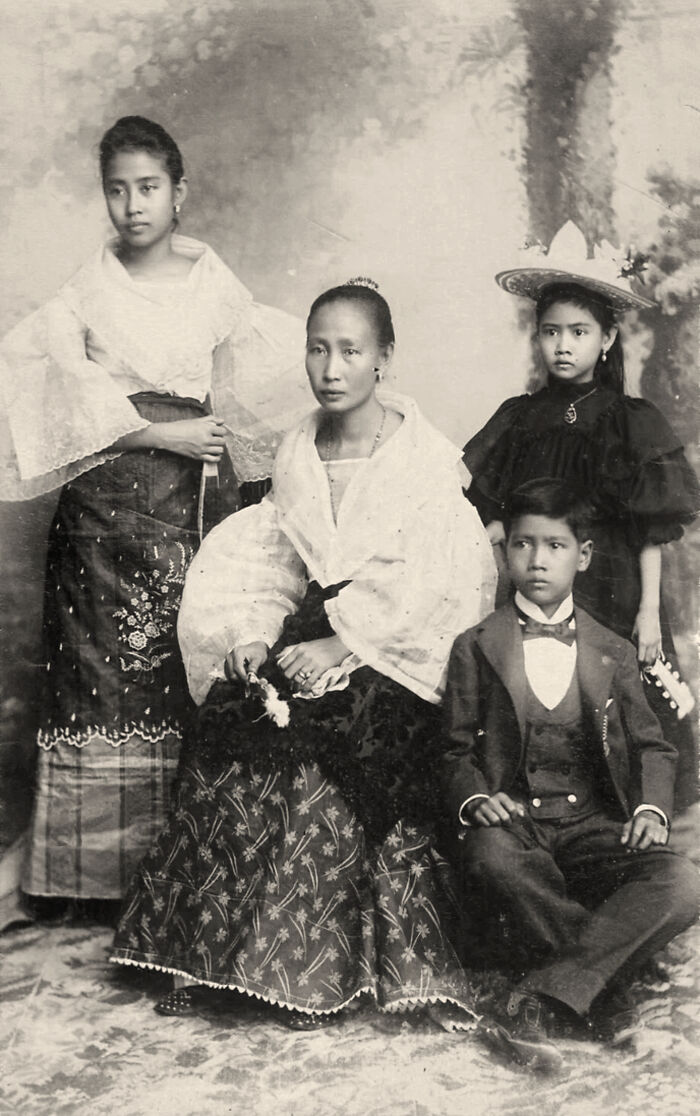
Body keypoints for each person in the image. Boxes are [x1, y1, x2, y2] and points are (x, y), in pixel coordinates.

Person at [110, 279, 497, 1027]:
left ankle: (293, 968)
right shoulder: (297, 447)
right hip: (311, 630)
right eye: (318, 348)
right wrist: (253, 630)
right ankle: (212, 959)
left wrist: (344, 643)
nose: (331, 366)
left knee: (318, 744)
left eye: (350, 350)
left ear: (384, 359)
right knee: (234, 715)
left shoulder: (420, 457)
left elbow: (442, 583)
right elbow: (273, 553)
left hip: (394, 655)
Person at [0, 116, 307, 909]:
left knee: (179, 663)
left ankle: (175, 868)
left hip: (185, 508)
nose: (132, 205)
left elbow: (260, 382)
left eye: (148, 187)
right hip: (99, 507)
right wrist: (162, 431)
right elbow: (64, 396)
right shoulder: (86, 290)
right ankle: (83, 880)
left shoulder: (214, 283)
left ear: (179, 191)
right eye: (117, 189)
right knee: (94, 677)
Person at [441, 479, 699, 1071]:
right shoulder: (474, 646)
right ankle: (601, 985)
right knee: (490, 858)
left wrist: (650, 811)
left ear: (582, 556)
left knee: (684, 882)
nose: (537, 560)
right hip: (518, 828)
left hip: (591, 826)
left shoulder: (614, 648)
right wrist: (477, 797)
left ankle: (548, 994)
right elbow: (453, 753)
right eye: (524, 545)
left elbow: (654, 747)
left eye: (554, 546)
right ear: (506, 553)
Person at [463, 221, 700, 810]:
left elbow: (650, 528)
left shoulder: (628, 418)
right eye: (550, 332)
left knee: (617, 696)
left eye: (578, 332)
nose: (563, 345)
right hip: (538, 578)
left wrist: (648, 612)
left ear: (608, 337)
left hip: (614, 585)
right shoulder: (519, 417)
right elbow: (486, 505)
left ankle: (631, 809)